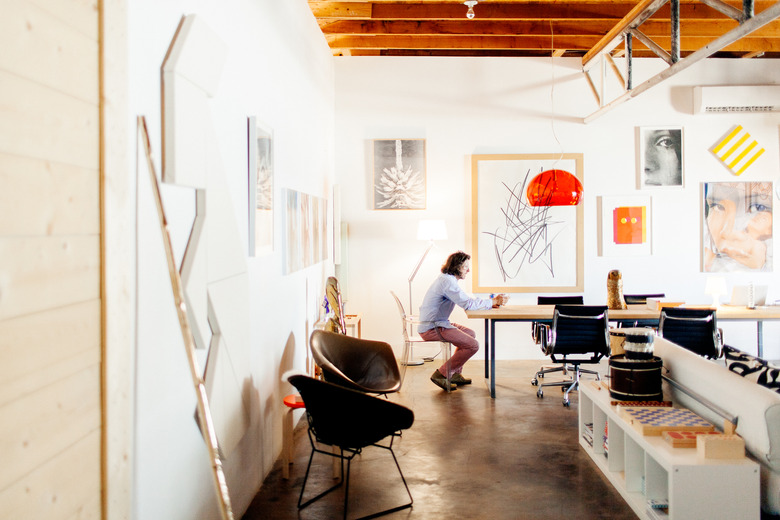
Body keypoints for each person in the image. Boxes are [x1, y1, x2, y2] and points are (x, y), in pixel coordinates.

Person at [418, 251, 507, 391]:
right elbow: (468, 304)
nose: (469, 270)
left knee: (470, 334)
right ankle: (441, 374)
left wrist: (490, 303)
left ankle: (454, 374)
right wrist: (492, 301)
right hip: (432, 327)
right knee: (473, 346)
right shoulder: (447, 282)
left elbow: (467, 300)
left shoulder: (448, 279)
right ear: (457, 266)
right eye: (465, 267)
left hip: (439, 323)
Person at [703, 182, 773, 272]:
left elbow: (756, 263)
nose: (755, 216)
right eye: (717, 206)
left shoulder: (759, 247)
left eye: (758, 207)